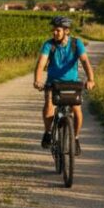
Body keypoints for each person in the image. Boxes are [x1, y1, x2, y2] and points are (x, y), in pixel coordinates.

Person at [33, 16, 95, 156]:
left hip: (72, 83)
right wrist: (37, 80)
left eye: (58, 30)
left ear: (66, 31)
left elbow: (85, 62)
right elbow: (41, 64)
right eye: (53, 30)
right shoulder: (49, 45)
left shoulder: (76, 44)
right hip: (53, 83)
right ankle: (48, 132)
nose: (54, 33)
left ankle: (76, 138)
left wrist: (90, 79)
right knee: (49, 105)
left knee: (77, 110)